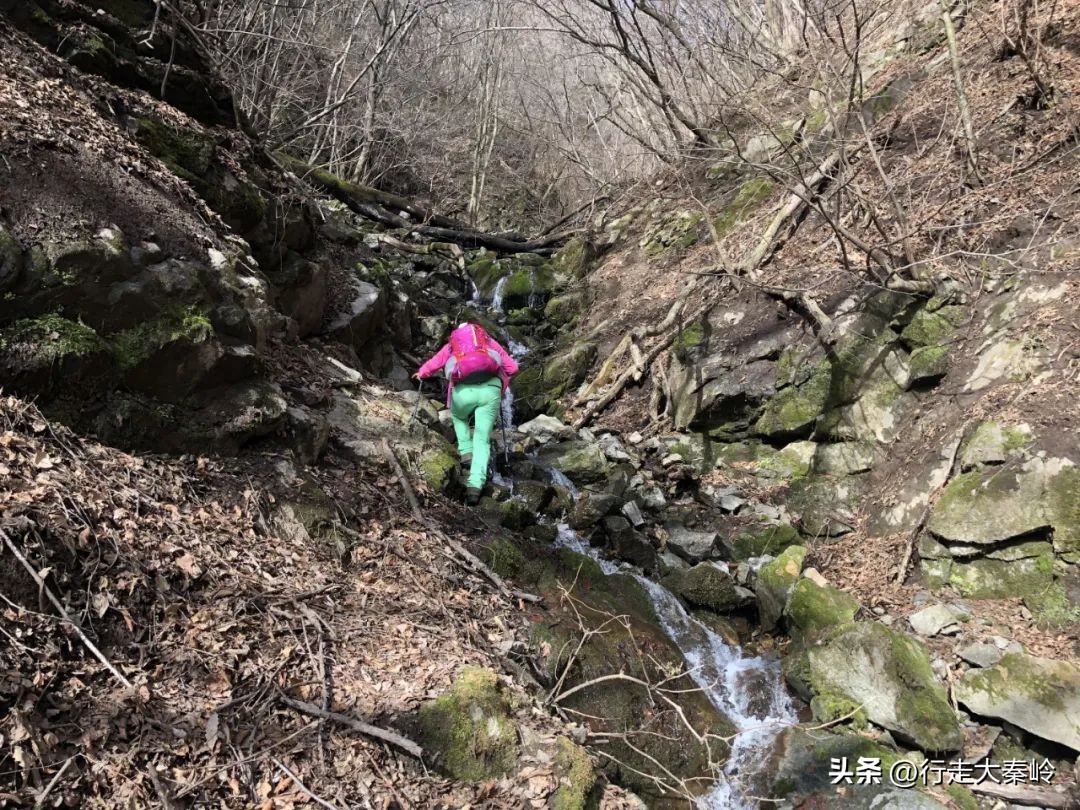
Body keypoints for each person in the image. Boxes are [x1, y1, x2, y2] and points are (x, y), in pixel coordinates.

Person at [415, 322, 519, 505]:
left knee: (458, 416)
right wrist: (501, 381)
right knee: (482, 438)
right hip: (490, 391)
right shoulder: (487, 342)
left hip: (463, 393)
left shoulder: (453, 344)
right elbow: (513, 368)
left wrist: (421, 373)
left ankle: (465, 452)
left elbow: (436, 362)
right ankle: (475, 485)